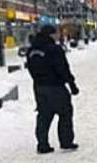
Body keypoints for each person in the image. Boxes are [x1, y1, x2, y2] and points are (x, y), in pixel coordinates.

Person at [26, 25, 80, 154]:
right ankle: (66, 141)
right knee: (65, 113)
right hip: (56, 86)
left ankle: (42, 144)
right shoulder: (54, 49)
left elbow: (30, 68)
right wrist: (72, 84)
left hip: (39, 87)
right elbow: (62, 68)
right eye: (56, 33)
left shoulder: (32, 50)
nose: (57, 36)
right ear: (50, 35)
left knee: (44, 115)